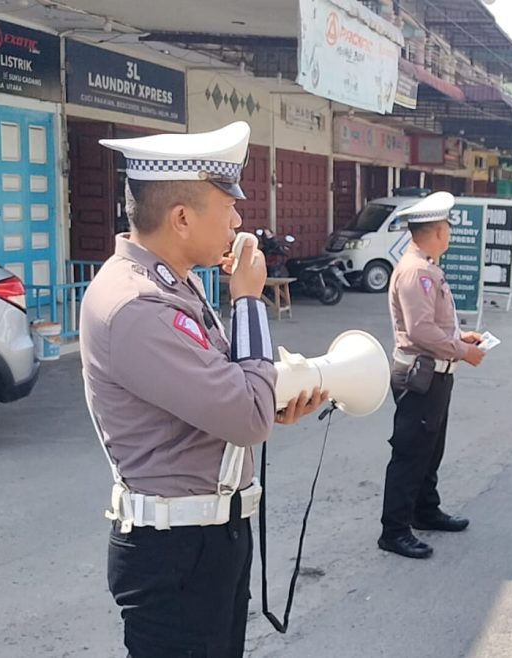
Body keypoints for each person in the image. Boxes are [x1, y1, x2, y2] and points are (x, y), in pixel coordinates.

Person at [80, 121, 326, 657]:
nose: (239, 220)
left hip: (208, 538)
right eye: (227, 204)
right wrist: (248, 301)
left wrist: (271, 401)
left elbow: (226, 390)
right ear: (183, 217)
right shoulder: (137, 304)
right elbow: (243, 412)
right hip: (175, 552)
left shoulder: (175, 281)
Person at [380, 191, 486, 559]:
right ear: (438, 231)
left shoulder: (426, 266)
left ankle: (425, 510)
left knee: (430, 448)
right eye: (447, 229)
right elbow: (421, 332)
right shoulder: (416, 271)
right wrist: (463, 351)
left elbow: (435, 325)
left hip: (436, 374)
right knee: (410, 452)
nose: (450, 235)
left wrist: (460, 337)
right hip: (420, 374)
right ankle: (394, 530)